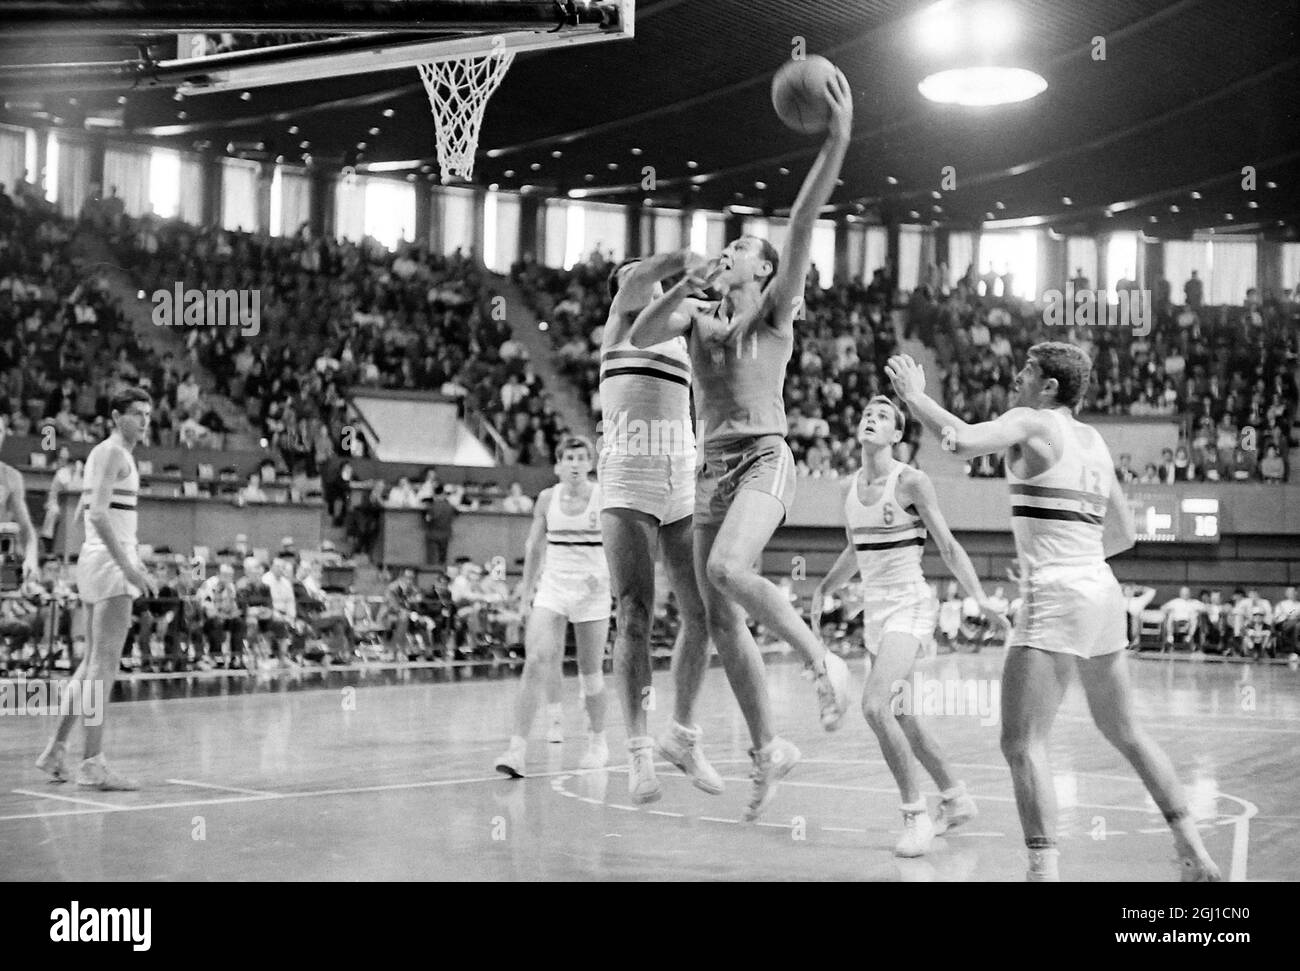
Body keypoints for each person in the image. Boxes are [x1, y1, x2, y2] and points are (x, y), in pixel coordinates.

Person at [886, 342, 1220, 881]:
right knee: (1127, 731)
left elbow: (965, 441)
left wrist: (916, 398)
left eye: (1027, 372)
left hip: (1057, 593)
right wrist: (1074, 558)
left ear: (1049, 387)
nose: (1016, 378)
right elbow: (1125, 533)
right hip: (1101, 590)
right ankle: (1190, 848)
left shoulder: (1032, 420)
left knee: (1020, 742)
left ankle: (1043, 874)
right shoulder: (1093, 441)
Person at [629, 73, 854, 820]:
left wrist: (837, 143)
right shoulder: (696, 316)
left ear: (762, 270)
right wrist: (679, 284)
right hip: (711, 471)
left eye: (741, 251)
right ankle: (738, 743)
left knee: (726, 569)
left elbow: (798, 224)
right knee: (711, 616)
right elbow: (638, 333)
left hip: (766, 456)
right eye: (725, 248)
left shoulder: (776, 313)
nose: (730, 254)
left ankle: (822, 661)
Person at [811, 397, 1000, 856]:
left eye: (881, 417)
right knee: (905, 718)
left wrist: (979, 599)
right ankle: (956, 799)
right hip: (877, 613)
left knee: (875, 707)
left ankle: (914, 815)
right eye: (865, 413)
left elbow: (949, 547)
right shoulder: (848, 489)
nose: (869, 419)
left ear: (897, 435)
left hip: (911, 606)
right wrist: (822, 589)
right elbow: (855, 551)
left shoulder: (911, 481)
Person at [598, 250, 724, 804]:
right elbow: (646, 277)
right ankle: (637, 750)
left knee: (703, 611)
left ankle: (684, 735)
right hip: (629, 474)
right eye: (634, 278)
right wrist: (681, 262)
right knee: (635, 613)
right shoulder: (622, 323)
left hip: (682, 472)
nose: (643, 283)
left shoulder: (681, 331)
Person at [37, 388, 158, 790]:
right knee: (103, 668)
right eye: (136, 413)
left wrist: (128, 559)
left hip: (99, 561)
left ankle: (56, 749)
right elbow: (98, 515)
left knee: (90, 665)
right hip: (108, 565)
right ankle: (92, 762)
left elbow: (82, 514)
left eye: (148, 414)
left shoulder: (106, 456)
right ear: (116, 416)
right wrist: (129, 567)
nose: (144, 420)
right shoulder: (111, 453)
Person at [495, 437, 611, 776]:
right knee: (535, 661)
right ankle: (516, 750)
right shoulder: (547, 499)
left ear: (590, 463)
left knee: (590, 673)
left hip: (592, 590)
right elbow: (533, 548)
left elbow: (617, 547)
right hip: (554, 588)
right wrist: (525, 594)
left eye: (581, 457)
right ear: (558, 465)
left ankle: (598, 742)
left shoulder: (604, 497)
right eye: (568, 458)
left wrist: (602, 578)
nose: (575, 464)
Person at [1161, 586, 1200, 653]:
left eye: (1186, 593)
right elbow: (1163, 607)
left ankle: (1189, 637)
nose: (1185, 594)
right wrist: (1167, 610)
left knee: (1194, 617)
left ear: (1190, 593)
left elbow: (1206, 608)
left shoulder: (1194, 602)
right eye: (1183, 593)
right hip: (1175, 622)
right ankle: (1170, 638)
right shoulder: (1175, 602)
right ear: (1180, 593)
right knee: (1171, 615)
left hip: (1188, 623)